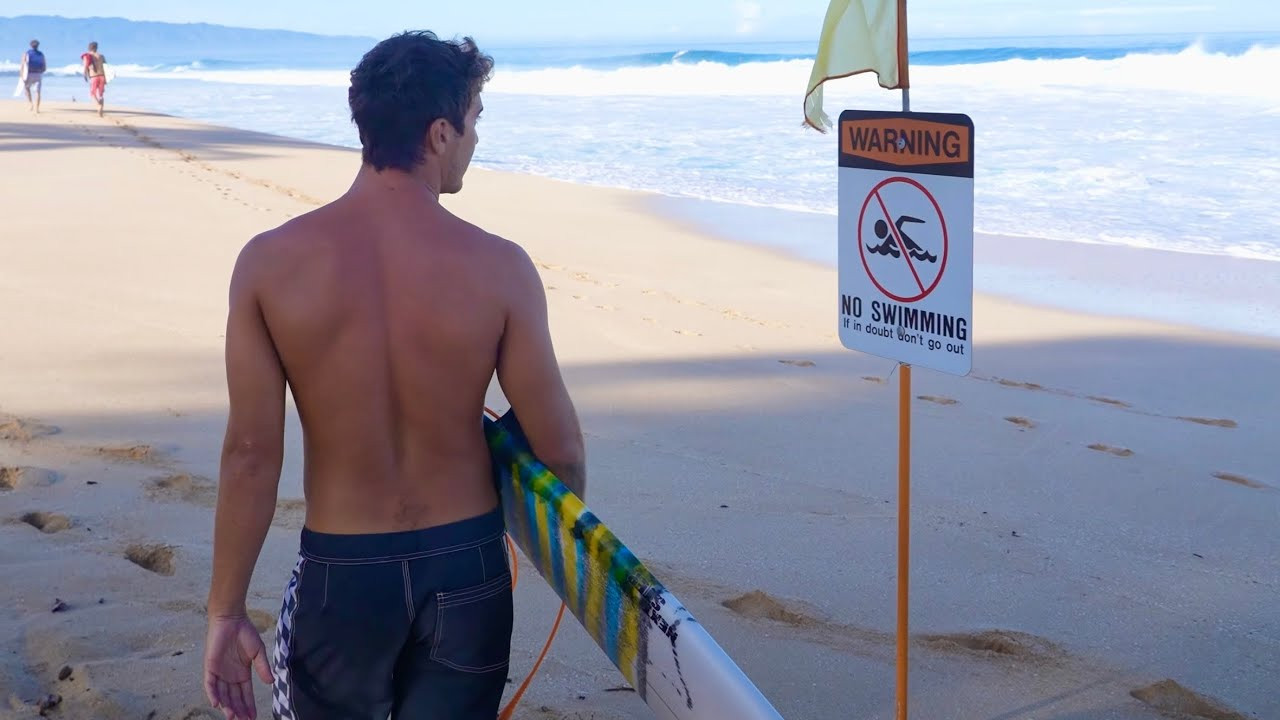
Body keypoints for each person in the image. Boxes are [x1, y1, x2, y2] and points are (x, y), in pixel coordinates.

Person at [202, 30, 586, 720]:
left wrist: (225, 611)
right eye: (474, 121)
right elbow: (560, 451)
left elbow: (251, 454)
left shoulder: (268, 264)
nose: (475, 140)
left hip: (342, 574)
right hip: (466, 569)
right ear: (440, 133)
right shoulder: (501, 268)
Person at [81, 41, 107, 116]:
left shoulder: (87, 56)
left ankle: (98, 105)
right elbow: (106, 67)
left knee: (93, 94)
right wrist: (106, 78)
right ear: (96, 48)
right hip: (102, 76)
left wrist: (85, 74)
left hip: (94, 77)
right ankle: (101, 109)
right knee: (101, 94)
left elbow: (85, 66)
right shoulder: (101, 56)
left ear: (89, 48)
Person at [20, 39, 45, 113]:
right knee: (37, 92)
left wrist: (21, 75)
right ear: (38, 45)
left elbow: (22, 65)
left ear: (30, 45)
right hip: (38, 74)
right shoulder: (41, 54)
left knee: (27, 88)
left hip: (29, 74)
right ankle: (37, 109)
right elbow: (44, 67)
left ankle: (30, 104)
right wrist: (40, 72)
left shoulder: (26, 53)